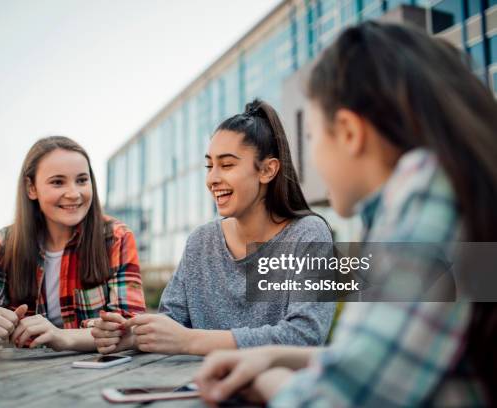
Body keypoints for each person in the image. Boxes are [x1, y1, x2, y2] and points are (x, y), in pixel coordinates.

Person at [194, 21, 497, 406]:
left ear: (350, 133)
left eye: (312, 137)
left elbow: (335, 400)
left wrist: (270, 379)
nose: (312, 159)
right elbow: (380, 352)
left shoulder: (426, 191)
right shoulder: (453, 192)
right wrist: (270, 355)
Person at [92, 99, 335, 356]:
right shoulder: (201, 241)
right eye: (210, 166)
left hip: (277, 392)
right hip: (195, 390)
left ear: (267, 170)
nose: (212, 179)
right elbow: (171, 322)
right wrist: (133, 334)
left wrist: (190, 341)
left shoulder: (309, 234)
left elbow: (304, 336)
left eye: (227, 165)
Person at [0, 136, 146, 351]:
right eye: (58, 182)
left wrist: (62, 336)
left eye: (82, 180)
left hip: (97, 374)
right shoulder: (4, 244)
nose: (74, 194)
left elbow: (132, 328)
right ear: (31, 188)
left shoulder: (116, 237)